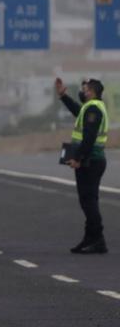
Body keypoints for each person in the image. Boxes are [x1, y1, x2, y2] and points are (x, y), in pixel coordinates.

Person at [55, 78, 109, 255]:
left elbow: (90, 137)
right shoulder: (90, 107)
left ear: (91, 91)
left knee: (89, 201)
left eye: (84, 89)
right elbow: (78, 111)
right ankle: (89, 239)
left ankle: (97, 240)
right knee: (87, 201)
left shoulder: (94, 108)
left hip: (90, 161)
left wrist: (78, 158)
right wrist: (64, 96)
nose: (82, 91)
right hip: (90, 160)